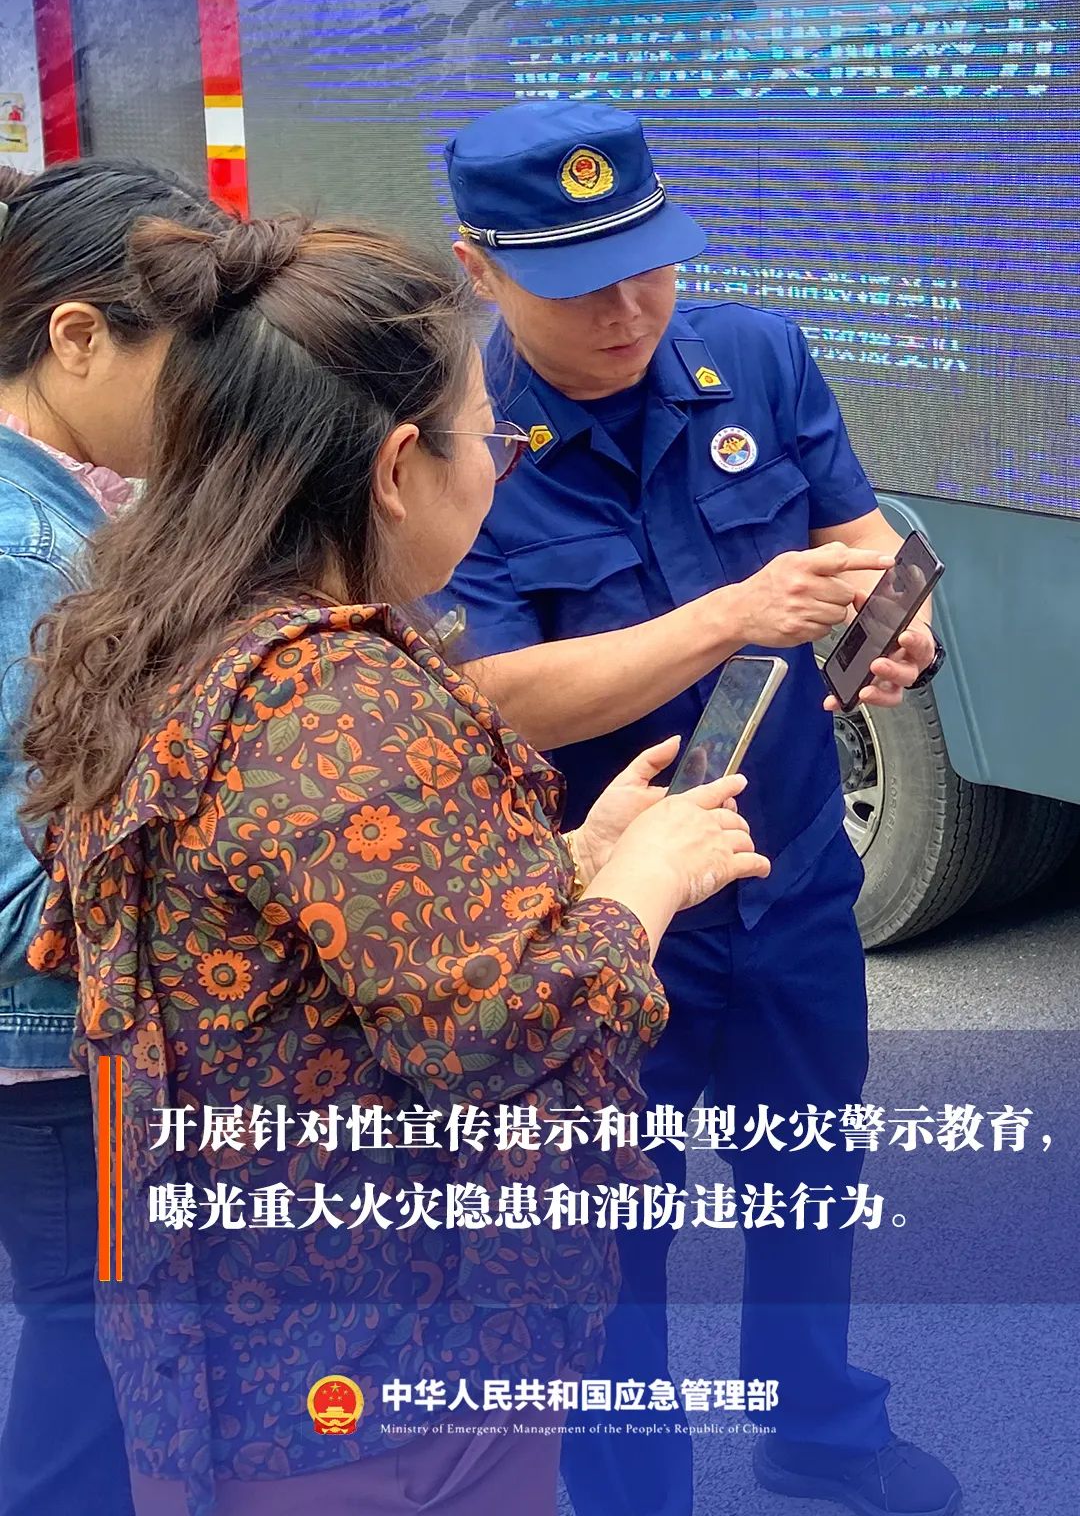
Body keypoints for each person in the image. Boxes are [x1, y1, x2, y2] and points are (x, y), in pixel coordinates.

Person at [21, 210, 768, 1516]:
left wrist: (571, 858)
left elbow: (321, 946)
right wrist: (644, 885)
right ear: (396, 467)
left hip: (224, 1351)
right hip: (376, 1380)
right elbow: (502, 1031)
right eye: (490, 438)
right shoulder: (345, 702)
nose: (499, 470)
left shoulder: (169, 632)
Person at [435, 100, 960, 1516]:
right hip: (604, 910)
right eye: (578, 284)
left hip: (788, 879)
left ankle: (819, 1428)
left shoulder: (756, 357)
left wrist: (892, 621)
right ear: (482, 267)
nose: (629, 312)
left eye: (647, 265)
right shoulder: (455, 436)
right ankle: (631, 1492)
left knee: (809, 1178)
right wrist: (731, 615)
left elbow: (856, 530)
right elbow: (491, 696)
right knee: (615, 1234)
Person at [0, 159, 231, 1516]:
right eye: (187, 359)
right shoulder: (32, 551)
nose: (206, 399)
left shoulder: (55, 505)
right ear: (77, 336)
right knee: (91, 1344)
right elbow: (22, 879)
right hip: (44, 1045)